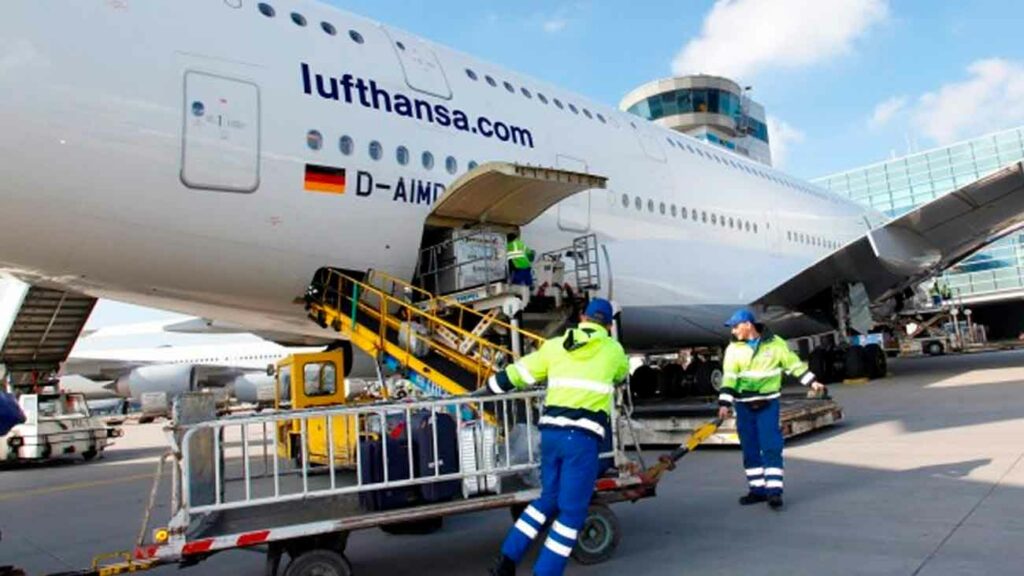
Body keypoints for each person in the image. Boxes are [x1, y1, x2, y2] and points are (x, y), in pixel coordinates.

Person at [485, 298, 628, 576]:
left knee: (547, 499)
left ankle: (505, 561)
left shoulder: (555, 346)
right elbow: (621, 374)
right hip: (581, 440)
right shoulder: (612, 350)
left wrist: (489, 387)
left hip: (550, 435)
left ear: (582, 318)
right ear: (608, 326)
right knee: (572, 513)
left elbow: (519, 373)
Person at [717, 309, 824, 510]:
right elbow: (729, 377)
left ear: (748, 324)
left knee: (771, 447)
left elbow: (793, 365)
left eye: (735, 326)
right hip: (744, 406)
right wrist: (724, 403)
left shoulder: (776, 344)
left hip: (768, 404)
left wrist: (812, 382)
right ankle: (757, 490)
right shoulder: (733, 350)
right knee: (749, 449)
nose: (733, 331)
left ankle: (774, 492)